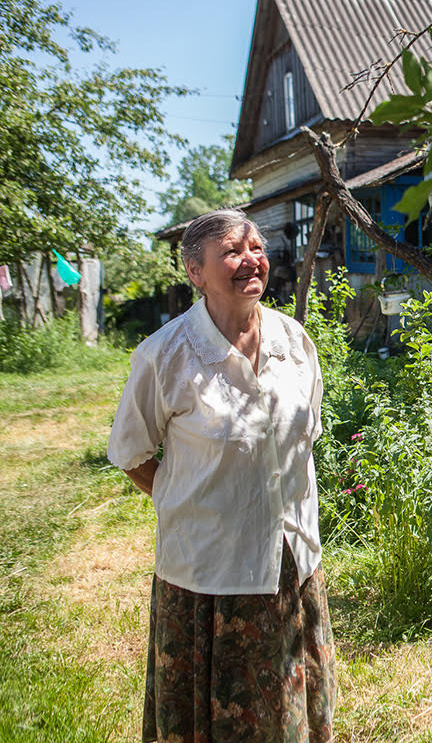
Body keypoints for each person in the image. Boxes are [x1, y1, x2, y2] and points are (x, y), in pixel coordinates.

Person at [108, 209, 335, 742]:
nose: (251, 259)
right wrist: (187, 499)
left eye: (256, 247)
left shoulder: (295, 343)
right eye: (232, 251)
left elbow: (305, 438)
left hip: (291, 559)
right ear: (195, 271)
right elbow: (131, 450)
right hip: (207, 571)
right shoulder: (167, 355)